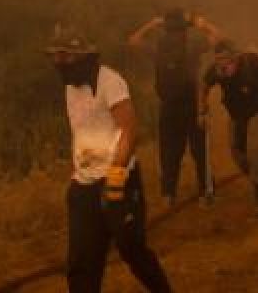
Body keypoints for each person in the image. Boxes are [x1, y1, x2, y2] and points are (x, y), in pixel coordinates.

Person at [45, 24, 172, 293]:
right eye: (55, 56)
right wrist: (77, 172)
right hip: (84, 186)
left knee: (131, 248)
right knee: (81, 263)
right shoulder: (70, 87)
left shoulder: (110, 82)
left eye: (65, 56)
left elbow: (128, 131)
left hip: (118, 181)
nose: (59, 62)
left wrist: (115, 177)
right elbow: (82, 131)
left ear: (83, 56)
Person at [127, 8, 222, 207]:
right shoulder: (191, 45)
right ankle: (205, 192)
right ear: (184, 29)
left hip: (169, 105)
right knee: (199, 150)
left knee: (169, 151)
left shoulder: (159, 49)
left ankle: (169, 194)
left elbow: (133, 41)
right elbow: (218, 37)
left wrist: (152, 24)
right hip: (192, 104)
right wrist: (199, 22)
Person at [200, 40, 258, 215]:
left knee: (255, 151)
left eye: (226, 59)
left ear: (237, 57)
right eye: (218, 59)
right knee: (239, 155)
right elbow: (203, 86)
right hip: (237, 117)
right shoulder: (216, 71)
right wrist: (201, 109)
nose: (222, 64)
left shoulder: (252, 65)